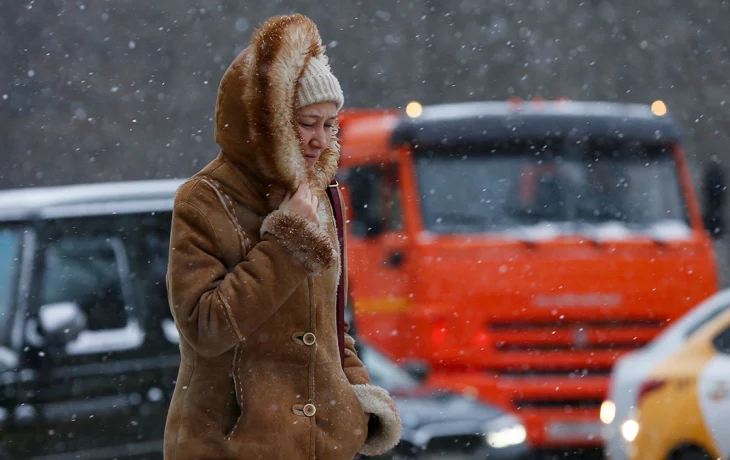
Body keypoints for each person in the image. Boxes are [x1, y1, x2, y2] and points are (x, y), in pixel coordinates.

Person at [163, 14, 402, 460]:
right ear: (266, 124)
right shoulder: (204, 199)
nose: (321, 140)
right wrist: (288, 243)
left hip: (322, 446)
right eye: (308, 122)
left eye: (330, 124)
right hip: (233, 448)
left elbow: (331, 325)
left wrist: (358, 400)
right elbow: (205, 328)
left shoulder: (322, 194)